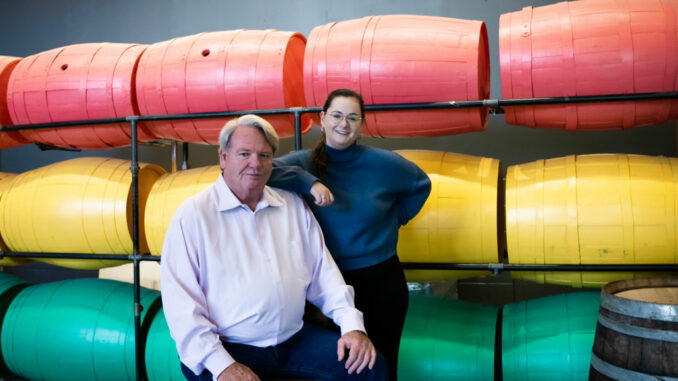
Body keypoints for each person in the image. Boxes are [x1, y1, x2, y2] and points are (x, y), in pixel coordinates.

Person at [160, 114, 388, 381]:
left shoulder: (291, 205)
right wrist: (221, 365)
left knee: (369, 367)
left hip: (294, 341)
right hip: (229, 346)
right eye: (244, 154)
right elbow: (182, 307)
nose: (255, 164)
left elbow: (324, 275)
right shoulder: (193, 215)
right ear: (223, 157)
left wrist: (351, 327)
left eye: (265, 155)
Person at [268, 89, 432, 381]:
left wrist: (394, 219)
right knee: (333, 369)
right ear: (322, 118)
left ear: (362, 124)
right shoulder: (303, 162)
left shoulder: (385, 163)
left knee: (380, 367)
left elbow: (421, 184)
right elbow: (261, 171)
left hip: (381, 282)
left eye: (353, 117)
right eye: (337, 115)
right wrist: (309, 182)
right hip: (325, 283)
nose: (344, 124)